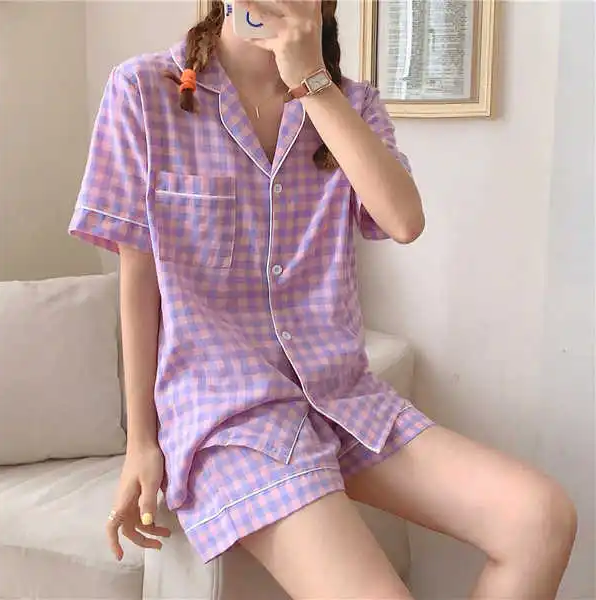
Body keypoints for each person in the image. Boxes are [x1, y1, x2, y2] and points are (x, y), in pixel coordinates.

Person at [69, 1, 577, 598]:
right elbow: (140, 279)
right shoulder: (144, 90)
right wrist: (141, 443)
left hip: (340, 398)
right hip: (226, 419)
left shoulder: (350, 105)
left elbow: (403, 220)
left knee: (540, 519)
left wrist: (312, 83)